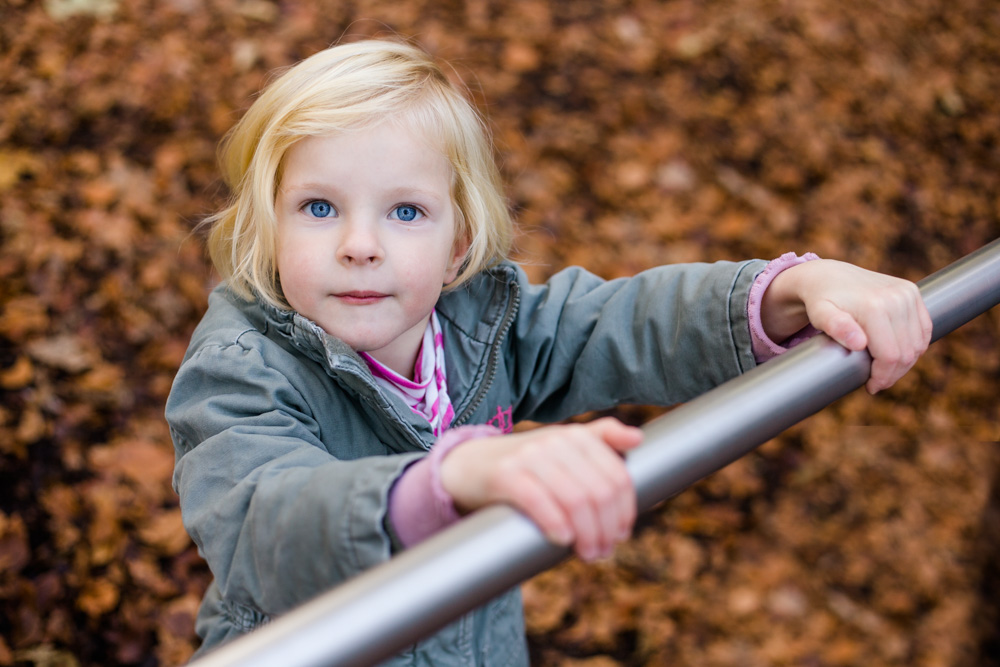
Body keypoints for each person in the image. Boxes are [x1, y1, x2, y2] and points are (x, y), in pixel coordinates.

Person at [165, 38, 932, 665]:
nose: (359, 245)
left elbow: (616, 322)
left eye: (405, 210)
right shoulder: (239, 366)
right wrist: (453, 477)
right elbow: (270, 520)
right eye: (319, 206)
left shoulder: (476, 325)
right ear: (267, 224)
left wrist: (787, 292)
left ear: (456, 242)